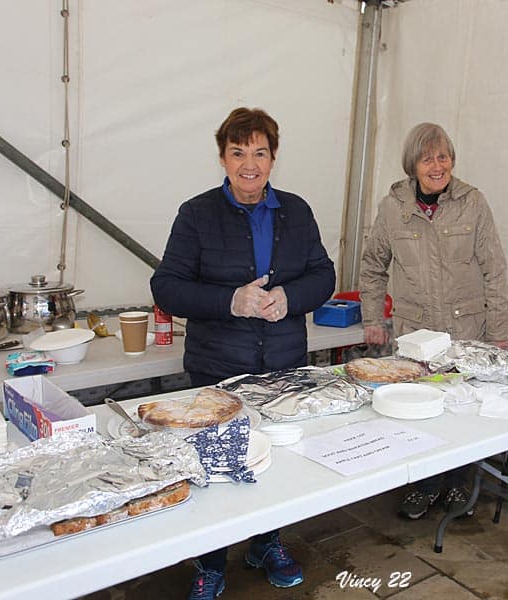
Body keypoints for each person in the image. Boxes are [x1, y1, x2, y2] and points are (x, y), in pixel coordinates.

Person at [151, 107, 335, 599]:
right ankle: (210, 564)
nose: (249, 164)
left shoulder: (296, 211)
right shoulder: (196, 214)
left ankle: (266, 542)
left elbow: (324, 275)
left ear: (273, 159)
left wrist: (290, 299)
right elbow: (166, 286)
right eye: (238, 152)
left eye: (259, 153)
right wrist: (230, 300)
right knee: (214, 468)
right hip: (216, 369)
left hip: (283, 366)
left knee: (275, 463)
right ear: (222, 158)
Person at [359, 122, 508, 520]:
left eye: (443, 156)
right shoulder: (393, 208)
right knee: (419, 409)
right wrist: (372, 317)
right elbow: (373, 266)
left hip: (467, 332)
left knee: (461, 413)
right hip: (416, 335)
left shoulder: (472, 202)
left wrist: (499, 334)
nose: (437, 164)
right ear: (413, 164)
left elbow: (495, 269)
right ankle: (423, 484)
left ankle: (460, 480)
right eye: (427, 157)